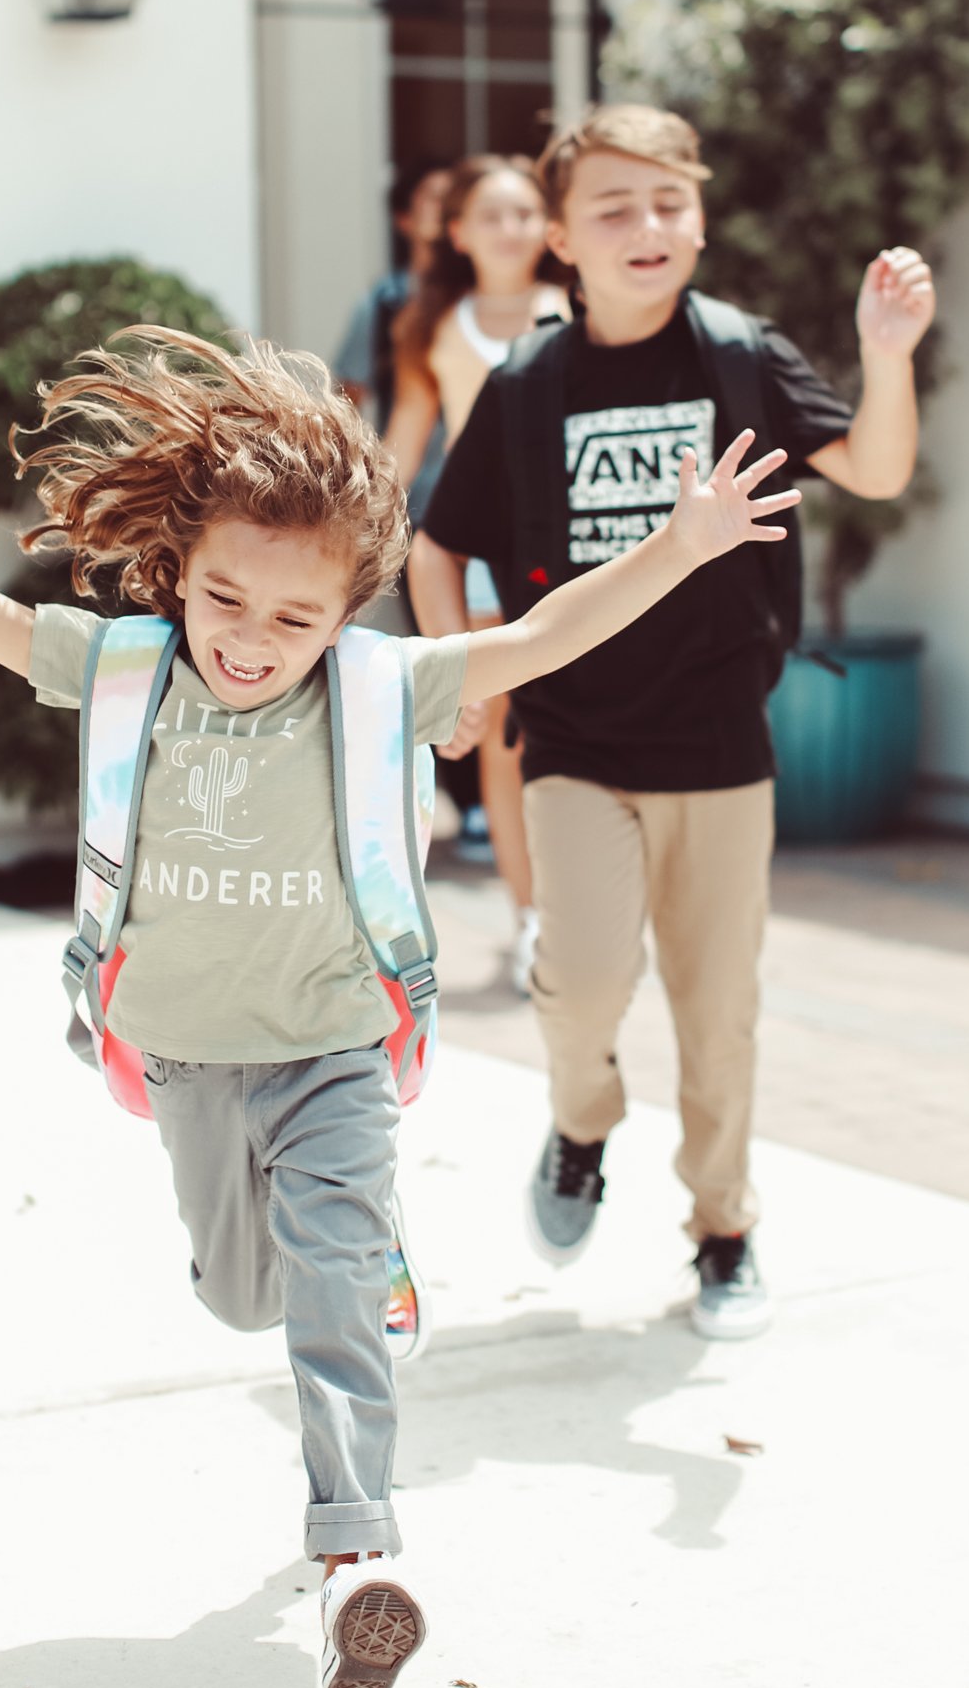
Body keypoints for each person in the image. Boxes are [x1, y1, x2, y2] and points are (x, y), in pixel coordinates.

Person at [0, 323, 799, 1688]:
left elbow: (538, 632)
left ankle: (360, 1555)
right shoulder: (123, 673)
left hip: (333, 1049)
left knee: (330, 1295)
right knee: (240, 1297)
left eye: (297, 619)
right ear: (178, 575)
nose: (253, 642)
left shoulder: (377, 686)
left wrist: (682, 546)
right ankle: (334, 1278)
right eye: (227, 602)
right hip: (184, 1054)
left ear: (347, 613)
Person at [409, 104, 935, 1343]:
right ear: (559, 241)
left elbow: (871, 465)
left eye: (666, 202)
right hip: (576, 743)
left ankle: (722, 1228)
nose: (645, 227)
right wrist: (458, 677)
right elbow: (439, 543)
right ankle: (582, 1124)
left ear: (696, 218)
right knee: (579, 984)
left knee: (715, 1009)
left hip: (717, 747)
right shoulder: (527, 383)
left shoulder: (742, 358)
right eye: (611, 207)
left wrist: (887, 350)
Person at [383, 155, 568, 993]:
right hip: (481, 550)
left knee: (576, 728)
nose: (510, 229)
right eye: (491, 216)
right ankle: (531, 919)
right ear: (457, 232)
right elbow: (401, 449)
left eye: (525, 212)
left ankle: (582, 911)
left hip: (572, 549)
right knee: (501, 733)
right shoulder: (433, 327)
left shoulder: (581, 310)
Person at [333, 159, 452, 529]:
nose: (448, 207)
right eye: (435, 197)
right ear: (404, 218)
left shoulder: (486, 305)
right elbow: (346, 400)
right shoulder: (383, 305)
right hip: (410, 502)